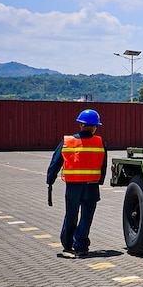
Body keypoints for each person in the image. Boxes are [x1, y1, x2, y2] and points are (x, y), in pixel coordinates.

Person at [46, 108, 108, 258]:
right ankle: (81, 246)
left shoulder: (68, 141)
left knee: (71, 215)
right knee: (87, 216)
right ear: (95, 127)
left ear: (80, 124)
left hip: (73, 186)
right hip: (91, 186)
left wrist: (50, 179)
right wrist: (100, 181)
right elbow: (103, 165)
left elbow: (55, 162)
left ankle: (67, 244)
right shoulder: (100, 142)